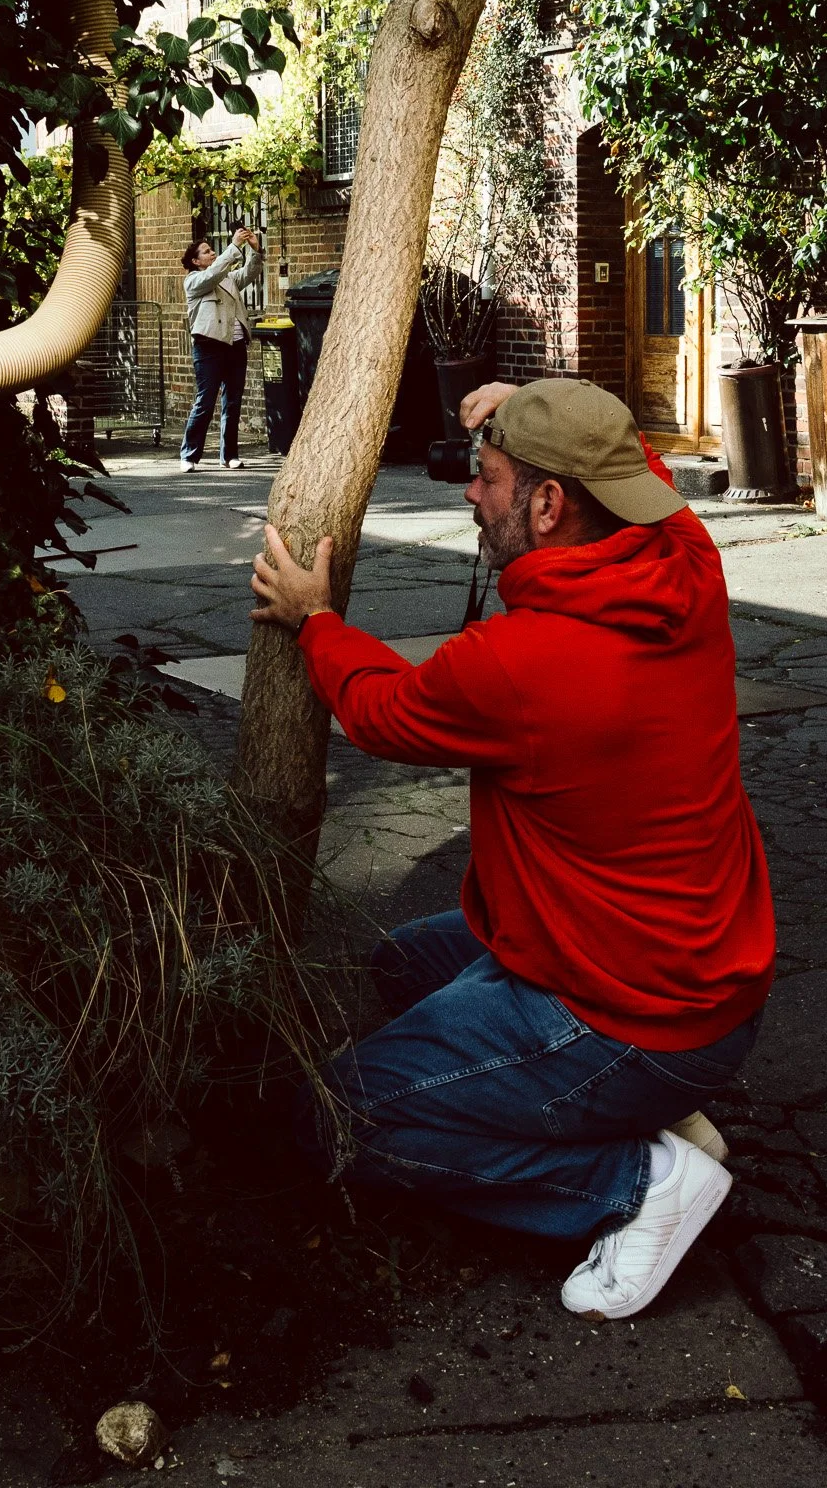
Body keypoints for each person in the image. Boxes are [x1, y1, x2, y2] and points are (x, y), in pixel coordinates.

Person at [249, 376, 775, 1322]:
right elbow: (630, 464)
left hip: (630, 1014)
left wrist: (315, 619)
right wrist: (533, 401)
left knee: (335, 1117)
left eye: (485, 477)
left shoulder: (519, 665)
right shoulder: (686, 567)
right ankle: (644, 1108)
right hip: (704, 985)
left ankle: (635, 1182)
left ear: (544, 503)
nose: (468, 494)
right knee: (406, 959)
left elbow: (378, 709)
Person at [179, 226, 262, 472]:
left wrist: (254, 251)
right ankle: (189, 455)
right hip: (209, 347)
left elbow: (249, 273)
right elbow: (212, 275)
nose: (212, 253)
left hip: (235, 345)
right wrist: (234, 247)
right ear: (195, 261)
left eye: (211, 250)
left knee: (233, 401)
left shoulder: (226, 277)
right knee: (205, 401)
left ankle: (229, 455)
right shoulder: (193, 281)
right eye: (206, 252)